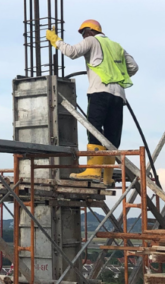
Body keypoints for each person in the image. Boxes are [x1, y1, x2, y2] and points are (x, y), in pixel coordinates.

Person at [46, 19, 138, 182]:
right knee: (112, 134)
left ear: (89, 31)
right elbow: (133, 67)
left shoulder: (91, 41)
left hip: (99, 92)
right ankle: (107, 176)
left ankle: (94, 170)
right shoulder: (117, 46)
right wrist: (116, 74)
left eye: (83, 33)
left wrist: (56, 40)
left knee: (94, 129)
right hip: (118, 96)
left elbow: (72, 52)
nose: (83, 37)